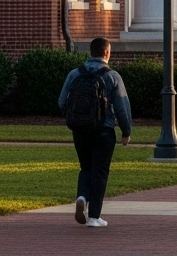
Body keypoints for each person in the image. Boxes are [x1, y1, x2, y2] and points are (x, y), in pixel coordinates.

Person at [58, 37, 132, 228]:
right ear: (106, 53)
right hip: (104, 130)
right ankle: (94, 217)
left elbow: (61, 101)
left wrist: (74, 116)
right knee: (100, 172)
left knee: (85, 167)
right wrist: (126, 130)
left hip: (80, 130)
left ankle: (82, 197)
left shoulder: (75, 74)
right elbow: (122, 106)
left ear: (90, 52)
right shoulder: (112, 76)